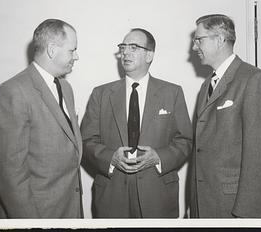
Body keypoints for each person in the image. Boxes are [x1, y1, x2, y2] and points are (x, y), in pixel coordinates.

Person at [81, 28, 192, 218]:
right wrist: (110, 158)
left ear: (149, 55)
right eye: (123, 47)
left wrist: (158, 157)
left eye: (134, 47)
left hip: (158, 196)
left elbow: (185, 141)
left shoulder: (172, 93)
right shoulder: (100, 94)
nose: (125, 52)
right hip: (111, 195)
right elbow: (86, 140)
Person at [0, 19, 83, 218]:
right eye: (72, 50)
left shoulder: (65, 88)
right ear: (52, 49)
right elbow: (10, 174)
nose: (76, 56)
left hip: (69, 210)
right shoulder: (12, 92)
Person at [190, 14, 261, 218]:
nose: (194, 47)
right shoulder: (205, 86)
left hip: (234, 208)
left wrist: (248, 216)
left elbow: (260, 158)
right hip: (204, 204)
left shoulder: (254, 80)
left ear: (219, 40)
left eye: (199, 39)